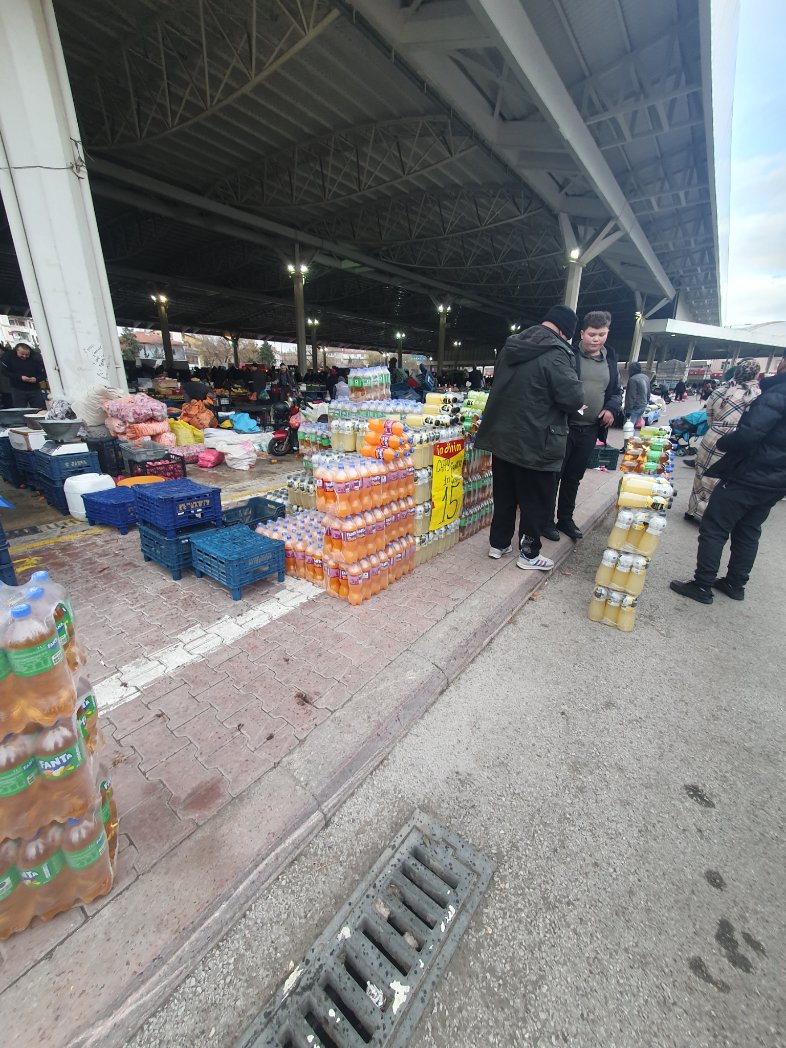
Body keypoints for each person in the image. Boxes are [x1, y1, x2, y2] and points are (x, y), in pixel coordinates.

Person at [474, 305, 584, 571]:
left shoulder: (511, 347)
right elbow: (572, 398)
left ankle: (499, 544)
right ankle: (529, 553)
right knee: (535, 499)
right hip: (537, 439)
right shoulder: (556, 353)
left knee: (504, 494)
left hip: (503, 436)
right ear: (565, 331)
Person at [671, 355, 786, 604]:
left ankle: (702, 585)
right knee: (749, 530)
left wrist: (725, 442)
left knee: (715, 526)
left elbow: (749, 435)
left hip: (750, 473)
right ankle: (735, 583)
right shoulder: (766, 392)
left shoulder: (777, 394)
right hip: (776, 481)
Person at [543, 310, 622, 542]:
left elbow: (616, 392)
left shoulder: (610, 361)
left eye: (602, 334)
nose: (596, 339)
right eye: (592, 334)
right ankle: (546, 521)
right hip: (563, 427)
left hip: (589, 429)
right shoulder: (569, 355)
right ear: (582, 334)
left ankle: (565, 519)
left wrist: (611, 408)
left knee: (574, 477)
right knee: (554, 476)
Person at [684, 359, 761, 523]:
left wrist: (717, 427)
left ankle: (692, 509)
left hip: (712, 435)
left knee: (701, 473)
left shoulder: (720, 390)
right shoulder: (754, 395)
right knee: (718, 478)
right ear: (755, 374)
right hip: (734, 440)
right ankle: (707, 515)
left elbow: (709, 415)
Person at [2, 342, 47, 408]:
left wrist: (37, 379)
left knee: (39, 408)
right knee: (20, 409)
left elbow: (45, 372)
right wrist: (20, 377)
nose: (24, 356)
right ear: (16, 351)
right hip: (17, 389)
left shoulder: (36, 358)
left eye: (27, 354)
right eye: (22, 354)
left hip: (35, 389)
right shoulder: (9, 357)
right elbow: (4, 372)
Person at [624, 362, 650, 427]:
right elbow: (648, 392)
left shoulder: (632, 379)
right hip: (643, 405)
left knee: (628, 427)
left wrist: (628, 410)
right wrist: (646, 403)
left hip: (635, 407)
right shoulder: (646, 377)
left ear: (632, 370)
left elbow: (631, 396)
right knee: (634, 426)